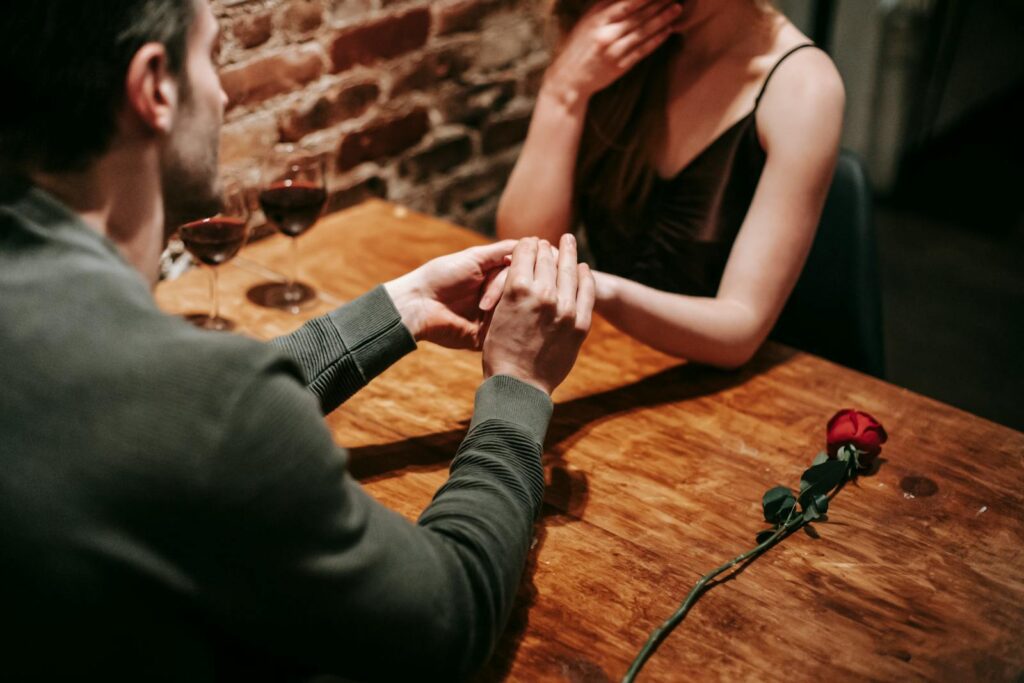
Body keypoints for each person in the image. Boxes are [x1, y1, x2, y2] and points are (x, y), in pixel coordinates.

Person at [0, 0, 595, 679]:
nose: (223, 94)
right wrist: (517, 386)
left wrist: (403, 307)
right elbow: (444, 621)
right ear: (155, 88)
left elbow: (153, 419)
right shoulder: (201, 406)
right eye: (213, 57)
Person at [496, 0, 844, 368]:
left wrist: (594, 287)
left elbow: (739, 331)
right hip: (605, 357)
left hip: (731, 391)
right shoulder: (618, 39)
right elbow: (527, 246)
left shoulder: (804, 87)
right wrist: (562, 94)